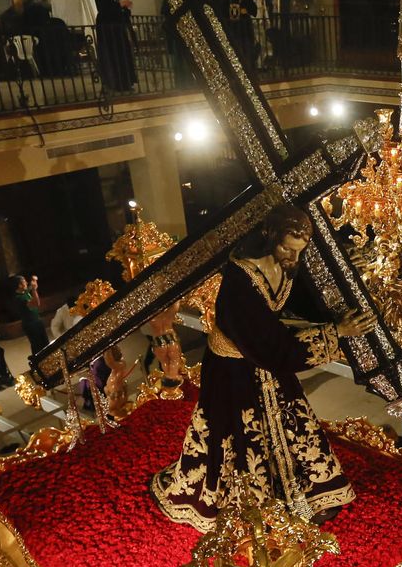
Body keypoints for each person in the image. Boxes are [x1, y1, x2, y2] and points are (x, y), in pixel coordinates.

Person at [150, 206, 374, 528]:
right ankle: (251, 503)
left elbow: (301, 301)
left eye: (299, 251)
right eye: (287, 249)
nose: (293, 258)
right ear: (270, 237)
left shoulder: (285, 264)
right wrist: (335, 333)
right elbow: (271, 349)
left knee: (291, 425)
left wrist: (344, 274)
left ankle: (300, 494)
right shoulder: (241, 280)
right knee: (239, 439)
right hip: (232, 371)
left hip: (264, 359)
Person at [93, 0, 136, 92]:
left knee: (123, 54)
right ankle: (115, 84)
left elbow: (119, 1)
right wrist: (120, 4)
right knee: (113, 55)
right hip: (108, 27)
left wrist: (126, 7)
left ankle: (127, 82)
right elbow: (103, 8)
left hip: (119, 25)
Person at [10, 273, 47, 354]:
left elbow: (29, 287)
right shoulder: (19, 298)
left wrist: (34, 280)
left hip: (37, 321)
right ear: (19, 285)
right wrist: (34, 290)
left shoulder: (24, 292)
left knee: (45, 344)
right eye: (24, 282)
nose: (26, 283)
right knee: (38, 347)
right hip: (31, 325)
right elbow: (36, 303)